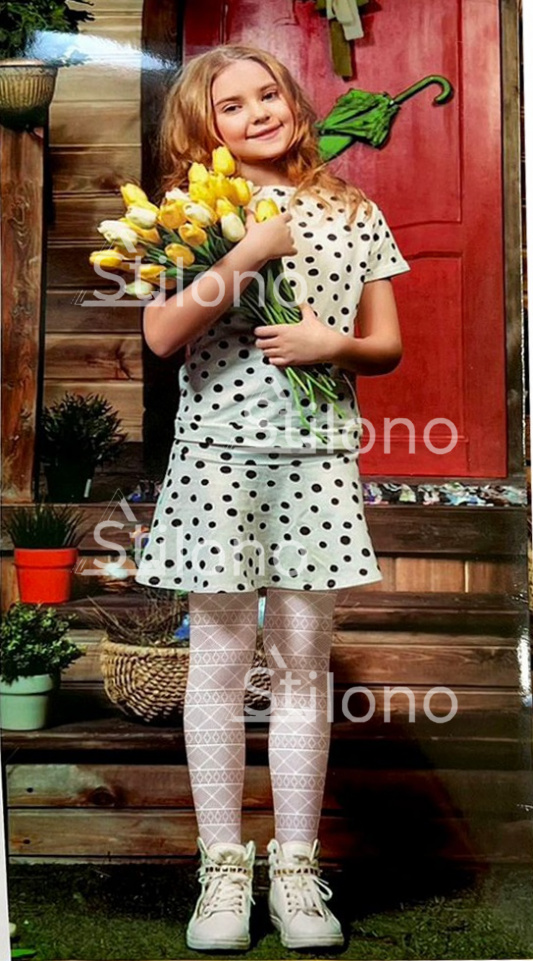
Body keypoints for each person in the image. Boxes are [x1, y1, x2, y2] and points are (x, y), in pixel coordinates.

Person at [135, 42, 410, 952]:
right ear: (201, 127)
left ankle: (295, 869)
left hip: (317, 459)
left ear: (292, 101)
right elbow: (163, 333)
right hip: (216, 458)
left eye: (267, 94)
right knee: (217, 663)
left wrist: (334, 347)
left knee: (299, 663)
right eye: (231, 105)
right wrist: (249, 248)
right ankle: (222, 869)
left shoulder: (353, 208)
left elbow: (385, 345)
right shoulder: (188, 211)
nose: (256, 113)